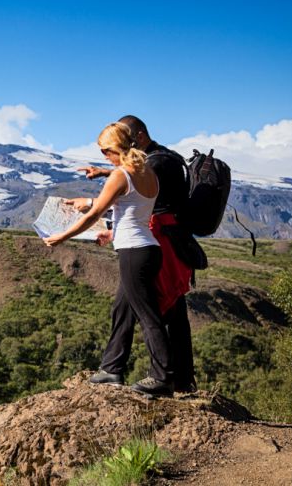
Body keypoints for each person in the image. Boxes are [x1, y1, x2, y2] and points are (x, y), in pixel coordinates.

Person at [43, 122, 174, 397]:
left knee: (148, 316)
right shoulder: (148, 173)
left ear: (117, 148)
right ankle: (111, 368)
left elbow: (94, 213)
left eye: (105, 150)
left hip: (134, 253)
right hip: (147, 248)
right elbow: (134, 214)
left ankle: (163, 378)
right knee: (122, 310)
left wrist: (62, 236)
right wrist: (111, 233)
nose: (104, 156)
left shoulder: (121, 175)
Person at [76, 115, 196, 393]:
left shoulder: (156, 162)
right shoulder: (167, 159)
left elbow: (132, 186)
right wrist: (106, 173)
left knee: (162, 311)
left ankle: (168, 377)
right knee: (130, 304)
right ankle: (115, 368)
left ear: (138, 137)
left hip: (158, 242)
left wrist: (93, 203)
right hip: (159, 241)